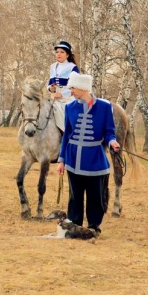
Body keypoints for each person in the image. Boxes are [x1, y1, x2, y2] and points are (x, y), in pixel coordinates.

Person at [56, 72, 120, 239]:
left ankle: (93, 228)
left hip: (95, 160)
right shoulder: (70, 107)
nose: (71, 90)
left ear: (83, 88)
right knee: (74, 196)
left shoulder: (105, 107)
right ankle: (74, 226)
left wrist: (112, 142)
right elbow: (66, 136)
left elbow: (109, 132)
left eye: (73, 87)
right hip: (73, 159)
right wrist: (61, 160)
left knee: (95, 197)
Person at [48, 41, 80, 134]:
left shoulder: (72, 67)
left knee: (62, 110)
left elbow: (75, 87)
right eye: (57, 52)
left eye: (62, 52)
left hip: (68, 98)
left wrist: (61, 94)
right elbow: (49, 84)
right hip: (54, 97)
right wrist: (51, 89)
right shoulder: (52, 67)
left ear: (67, 54)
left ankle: (68, 134)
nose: (59, 54)